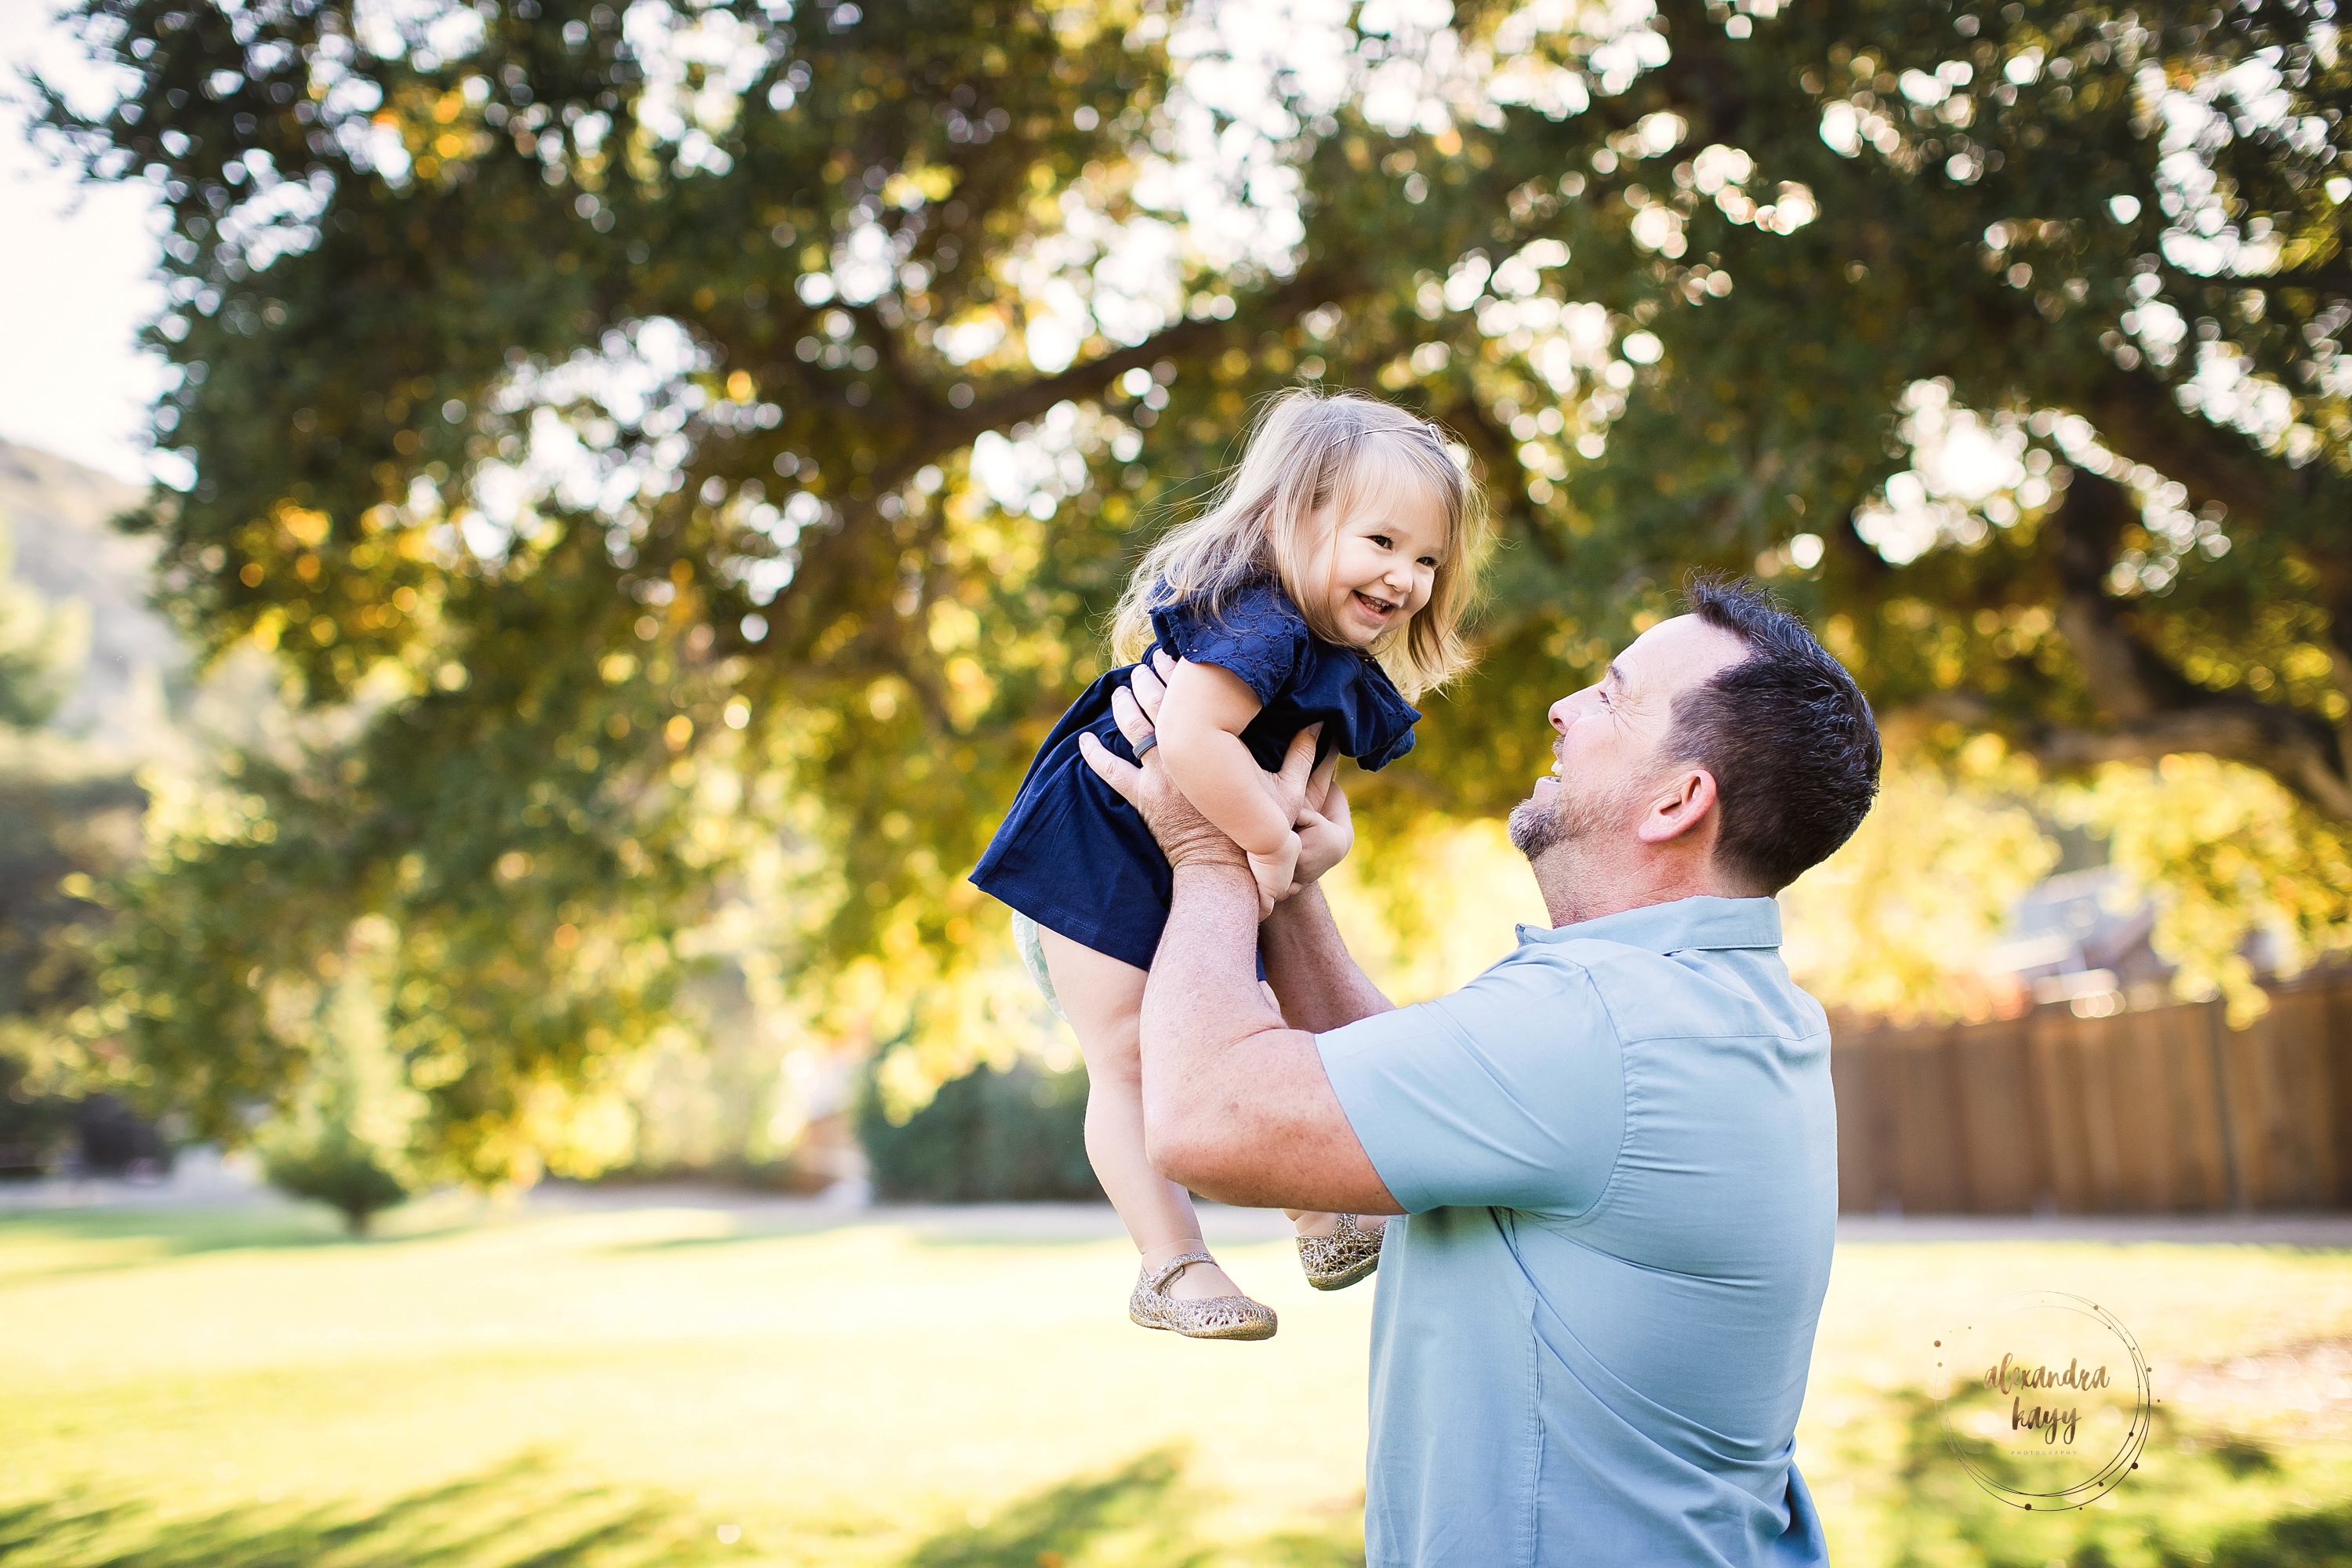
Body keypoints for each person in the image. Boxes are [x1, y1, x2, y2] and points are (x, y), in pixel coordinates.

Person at [1080, 579, 1880, 1565]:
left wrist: (1208, 847)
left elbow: (1204, 1115)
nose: (1565, 705)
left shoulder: (1605, 1028)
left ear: (1679, 800)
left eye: (1613, 696)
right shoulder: (1710, 1004)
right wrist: (1282, 877)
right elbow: (1408, 1099)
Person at [971, 387, 1488, 1340]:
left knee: (1249, 1024)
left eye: (1426, 559)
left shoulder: (1335, 664)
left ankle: (1318, 1212)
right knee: (1128, 1054)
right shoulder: (1255, 622)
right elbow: (1193, 740)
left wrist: (1319, 844)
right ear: (1296, 520)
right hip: (1091, 862)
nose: (1406, 576)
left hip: (1192, 872)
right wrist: (1268, 845)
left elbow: (1316, 795)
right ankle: (1172, 1263)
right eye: (1381, 542)